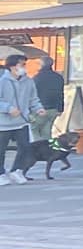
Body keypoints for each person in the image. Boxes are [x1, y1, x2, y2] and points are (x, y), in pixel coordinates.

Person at [0, 54, 36, 184]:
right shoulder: (2, 81)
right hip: (3, 123)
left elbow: (33, 98)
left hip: (21, 121)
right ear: (12, 66)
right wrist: (8, 108)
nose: (24, 67)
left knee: (26, 147)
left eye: (24, 64)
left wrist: (38, 108)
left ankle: (16, 170)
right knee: (1, 150)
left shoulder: (28, 81)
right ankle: (1, 174)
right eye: (21, 64)